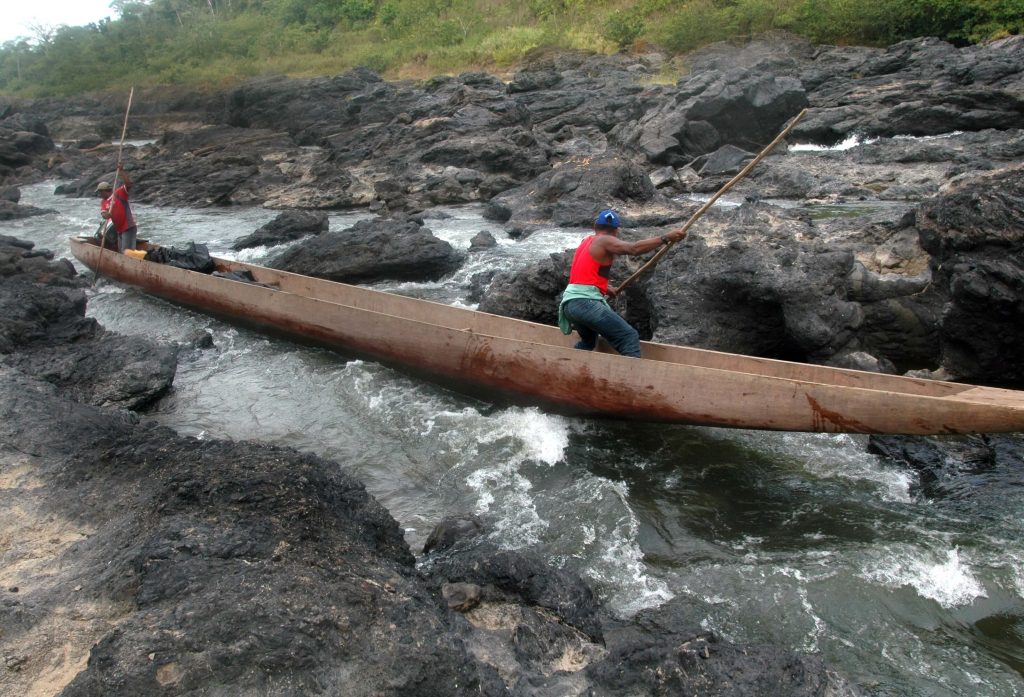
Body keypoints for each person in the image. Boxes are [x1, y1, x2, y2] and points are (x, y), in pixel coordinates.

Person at [557, 209, 687, 358]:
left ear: (595, 226)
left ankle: (569, 365)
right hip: (584, 303)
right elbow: (633, 249)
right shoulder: (605, 240)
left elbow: (584, 274)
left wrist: (605, 288)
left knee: (588, 343)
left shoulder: (586, 241)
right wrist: (665, 238)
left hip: (570, 303)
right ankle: (631, 378)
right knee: (628, 337)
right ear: (617, 230)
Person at [97, 162, 137, 253]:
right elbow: (103, 214)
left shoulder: (119, 194)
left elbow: (128, 184)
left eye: (100, 192)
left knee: (127, 252)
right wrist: (106, 215)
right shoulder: (104, 202)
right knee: (121, 252)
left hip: (128, 227)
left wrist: (122, 171)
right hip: (119, 230)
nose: (99, 194)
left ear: (104, 191)